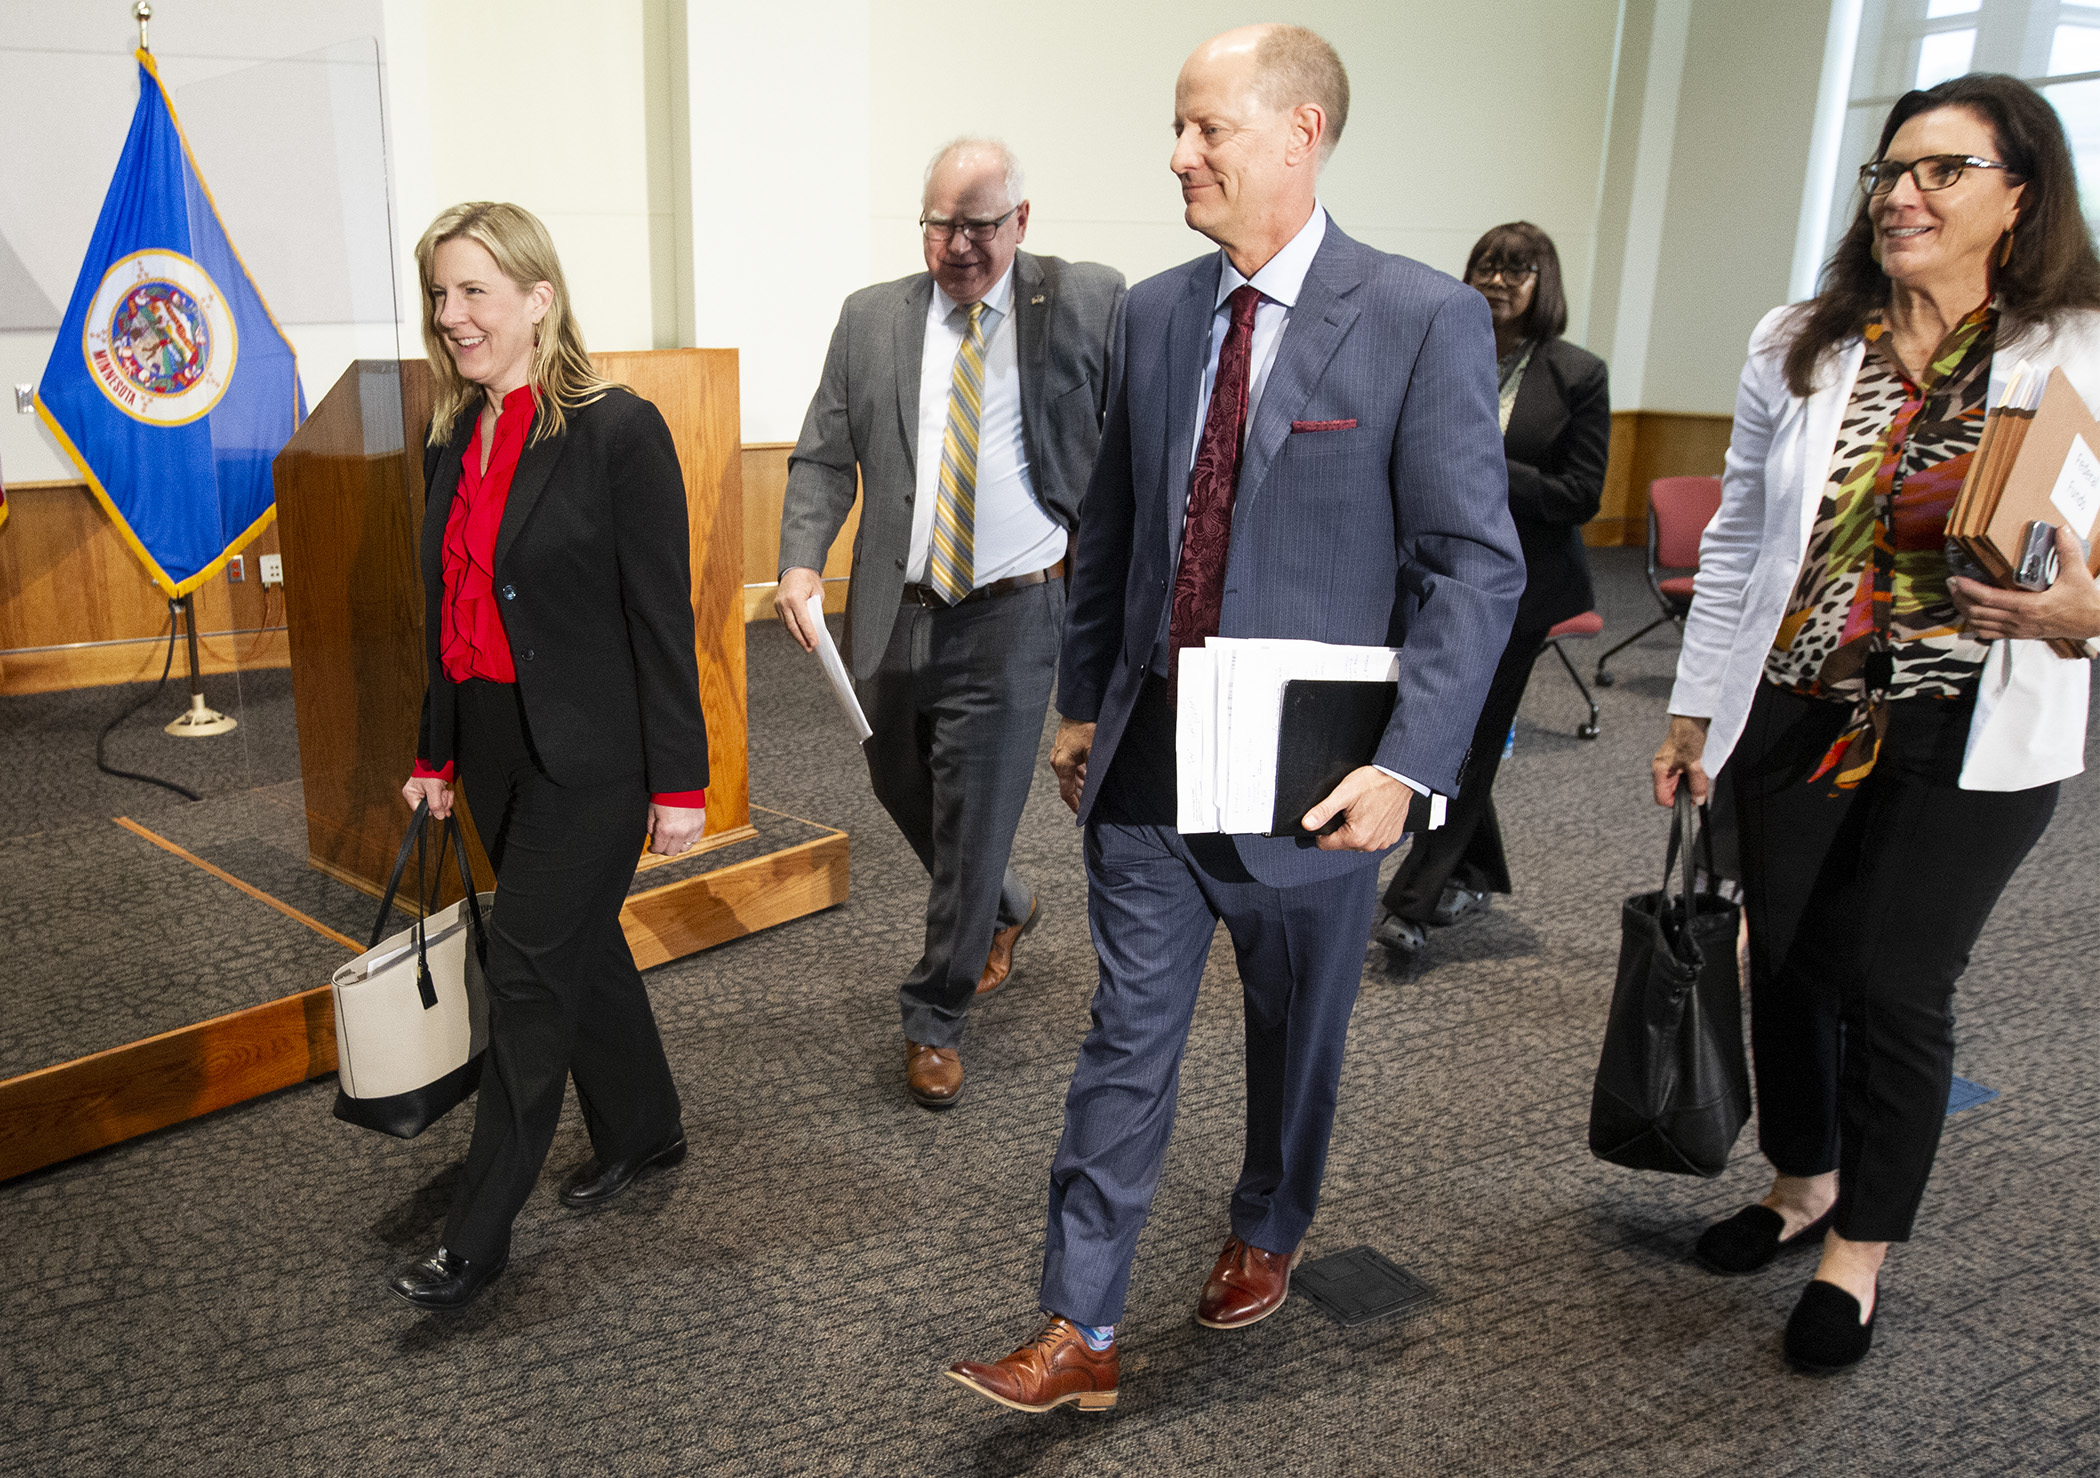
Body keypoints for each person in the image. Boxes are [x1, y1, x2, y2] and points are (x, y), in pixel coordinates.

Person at [945, 25, 1522, 1411]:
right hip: (1150, 752)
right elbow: (1118, 528)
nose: (1178, 152)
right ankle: (1078, 1323)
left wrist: (1411, 763)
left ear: (1300, 131)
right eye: (1178, 125)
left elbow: (1473, 565)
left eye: (1206, 129)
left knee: (1293, 1025)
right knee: (1125, 1036)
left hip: (1319, 774)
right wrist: (1083, 705)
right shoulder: (1151, 313)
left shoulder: (1418, 317)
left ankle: (1269, 1216)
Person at [1652, 74, 2100, 1374]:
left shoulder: (2076, 346)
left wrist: (2082, 606)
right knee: (1786, 959)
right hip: (1802, 703)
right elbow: (1739, 535)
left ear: (2022, 193)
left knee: (1895, 980)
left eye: (1941, 171)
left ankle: (1862, 1252)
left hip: (1975, 721)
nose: (1902, 194)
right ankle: (1806, 1182)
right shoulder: (1802, 337)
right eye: (1889, 172)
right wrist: (1693, 706)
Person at [390, 201, 711, 1311]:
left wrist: (681, 778)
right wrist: (434, 755)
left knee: (524, 973)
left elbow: (661, 616)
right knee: (574, 943)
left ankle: (478, 1233)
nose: (452, 316)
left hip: (595, 759)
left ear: (539, 299)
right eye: (439, 293)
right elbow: (448, 612)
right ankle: (646, 1124)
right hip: (489, 747)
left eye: (475, 291)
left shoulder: (616, 431)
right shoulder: (452, 436)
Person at [776, 140, 1125, 1110]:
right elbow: (819, 455)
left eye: (979, 223)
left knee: (972, 824)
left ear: (1022, 219)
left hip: (1017, 610)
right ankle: (1008, 906)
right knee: (895, 778)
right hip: (896, 604)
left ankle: (934, 1014)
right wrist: (801, 557)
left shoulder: (1088, 301)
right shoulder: (872, 318)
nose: (958, 244)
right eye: (940, 223)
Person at [1373, 221, 1609, 958]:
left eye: (1518, 270)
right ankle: (1478, 863)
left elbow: (1580, 494)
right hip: (1429, 573)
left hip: (1522, 590)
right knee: (1439, 718)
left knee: (1468, 732)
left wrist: (1482, 464)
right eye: (1486, 266)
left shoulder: (1577, 373)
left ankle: (1409, 904)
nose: (1499, 281)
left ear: (1547, 284)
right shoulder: (1443, 345)